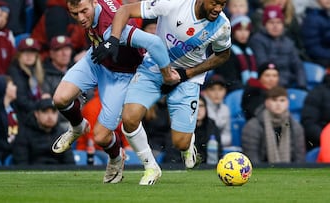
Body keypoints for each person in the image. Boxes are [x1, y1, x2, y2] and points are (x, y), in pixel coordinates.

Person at [98, 0, 231, 185]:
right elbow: (125, 10)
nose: (218, 9)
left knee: (180, 143)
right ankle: (151, 167)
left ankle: (188, 146)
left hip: (187, 77)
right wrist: (113, 39)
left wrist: (187, 74)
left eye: (222, 4)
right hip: (154, 67)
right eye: (215, 3)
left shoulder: (222, 26)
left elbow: (223, 54)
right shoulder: (172, 3)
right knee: (129, 118)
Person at [50, 0, 178, 185]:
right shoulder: (94, 8)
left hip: (121, 75)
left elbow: (155, 42)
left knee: (101, 136)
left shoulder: (113, 26)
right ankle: (78, 127)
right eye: (74, 13)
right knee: (60, 99)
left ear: (94, 3)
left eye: (84, 11)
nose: (81, 18)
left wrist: (166, 74)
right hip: (96, 59)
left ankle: (117, 158)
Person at [241, 86, 306, 164]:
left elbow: (299, 159)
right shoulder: (252, 126)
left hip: (290, 173)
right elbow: (252, 159)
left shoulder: (296, 127)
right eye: (274, 100)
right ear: (266, 103)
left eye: (282, 100)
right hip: (261, 173)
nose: (278, 104)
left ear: (287, 103)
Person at [248, 5, 306, 89]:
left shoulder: (288, 42)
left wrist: (301, 85)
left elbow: (298, 66)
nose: (275, 26)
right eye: (271, 22)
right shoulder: (257, 40)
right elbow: (263, 66)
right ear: (265, 25)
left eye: (278, 22)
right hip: (268, 85)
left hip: (288, 84)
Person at [13, 98, 75, 165]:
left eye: (53, 112)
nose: (50, 116)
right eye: (45, 112)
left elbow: (70, 163)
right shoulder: (24, 134)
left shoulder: (62, 134)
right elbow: (21, 164)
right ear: (36, 114)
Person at [301, 55, 330, 151]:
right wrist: (328, 139)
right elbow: (309, 123)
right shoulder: (317, 93)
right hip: (326, 145)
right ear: (329, 70)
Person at [213, 15, 257, 92]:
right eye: (239, 30)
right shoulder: (226, 51)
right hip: (234, 92)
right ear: (232, 32)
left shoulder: (250, 51)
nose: (243, 34)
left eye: (246, 30)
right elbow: (229, 80)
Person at [7, 37, 46, 122]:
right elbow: (22, 101)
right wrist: (43, 102)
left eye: (32, 52)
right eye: (25, 52)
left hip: (33, 112)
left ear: (36, 56)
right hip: (21, 116)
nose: (29, 56)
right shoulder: (15, 71)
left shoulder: (37, 71)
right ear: (19, 55)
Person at [202, 74, 232, 151]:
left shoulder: (226, 109)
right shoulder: (201, 107)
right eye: (212, 89)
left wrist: (215, 141)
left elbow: (228, 137)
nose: (217, 93)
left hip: (218, 148)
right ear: (205, 92)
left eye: (220, 89)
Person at [195, 96, 221, 163]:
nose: (198, 109)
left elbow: (218, 152)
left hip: (209, 165)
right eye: (194, 106)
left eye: (201, 106)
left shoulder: (212, 126)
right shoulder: (182, 128)